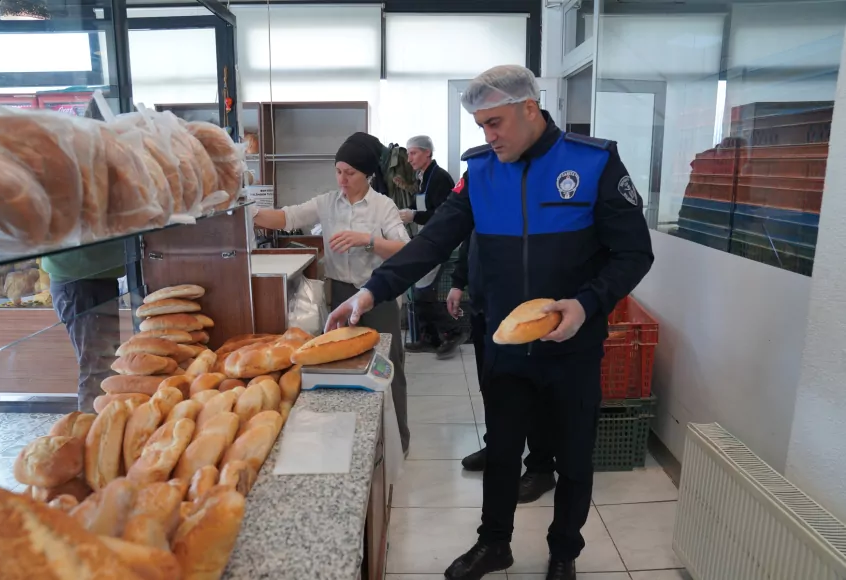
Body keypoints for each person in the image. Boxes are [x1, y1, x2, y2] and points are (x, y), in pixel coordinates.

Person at [325, 65, 654, 580]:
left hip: (572, 344)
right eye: (481, 126)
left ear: (530, 109)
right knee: (501, 451)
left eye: (495, 123)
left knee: (573, 458)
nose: (488, 136)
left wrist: (587, 304)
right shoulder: (480, 172)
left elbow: (634, 254)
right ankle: (494, 543)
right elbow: (433, 242)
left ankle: (564, 551)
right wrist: (371, 292)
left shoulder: (592, 164)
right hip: (504, 343)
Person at [253, 131, 412, 454]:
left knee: (387, 367)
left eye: (350, 173)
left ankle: (398, 442)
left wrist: (367, 239)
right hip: (340, 294)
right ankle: (357, 443)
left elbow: (406, 249)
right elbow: (286, 218)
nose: (342, 179)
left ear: (366, 173)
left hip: (377, 295)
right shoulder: (326, 203)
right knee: (345, 368)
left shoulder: (383, 206)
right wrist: (246, 209)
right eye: (338, 171)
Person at [448, 233, 558, 506]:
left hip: (523, 314)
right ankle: (498, 448)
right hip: (485, 307)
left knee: (532, 390)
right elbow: (470, 236)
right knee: (492, 385)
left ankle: (541, 468)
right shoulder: (482, 192)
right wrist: (458, 281)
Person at [44, 97, 126, 413]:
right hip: (79, 282)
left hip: (94, 280)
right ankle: (91, 442)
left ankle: (100, 429)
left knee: (103, 364)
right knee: (97, 368)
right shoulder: (74, 170)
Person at [399, 136, 468, 358]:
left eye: (413, 153)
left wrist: (414, 215)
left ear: (428, 153)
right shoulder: (422, 177)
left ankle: (454, 331)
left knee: (421, 292)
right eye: (409, 154)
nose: (409, 159)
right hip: (427, 239)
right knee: (421, 292)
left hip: (440, 240)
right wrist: (404, 212)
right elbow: (419, 206)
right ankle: (431, 338)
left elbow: (443, 214)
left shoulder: (440, 178)